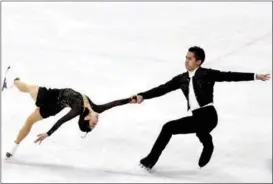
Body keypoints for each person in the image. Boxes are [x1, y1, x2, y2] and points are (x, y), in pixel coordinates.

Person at [130, 46, 270, 171]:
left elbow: (229, 76)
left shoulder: (206, 74)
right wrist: (142, 96)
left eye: (190, 59)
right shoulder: (181, 79)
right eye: (186, 58)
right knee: (186, 128)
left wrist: (255, 76)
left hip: (209, 116)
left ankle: (150, 161)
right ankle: (207, 142)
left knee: (171, 127)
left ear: (198, 61)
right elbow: (162, 89)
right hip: (197, 116)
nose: (186, 61)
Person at [3, 67, 134, 158]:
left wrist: (48, 133)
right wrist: (130, 100)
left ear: (87, 118)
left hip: (50, 98)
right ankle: (12, 150)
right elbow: (114, 104)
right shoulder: (96, 108)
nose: (96, 123)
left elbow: (62, 121)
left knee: (28, 103)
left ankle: (13, 79)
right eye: (95, 125)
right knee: (28, 102)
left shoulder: (77, 108)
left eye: (93, 124)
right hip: (55, 105)